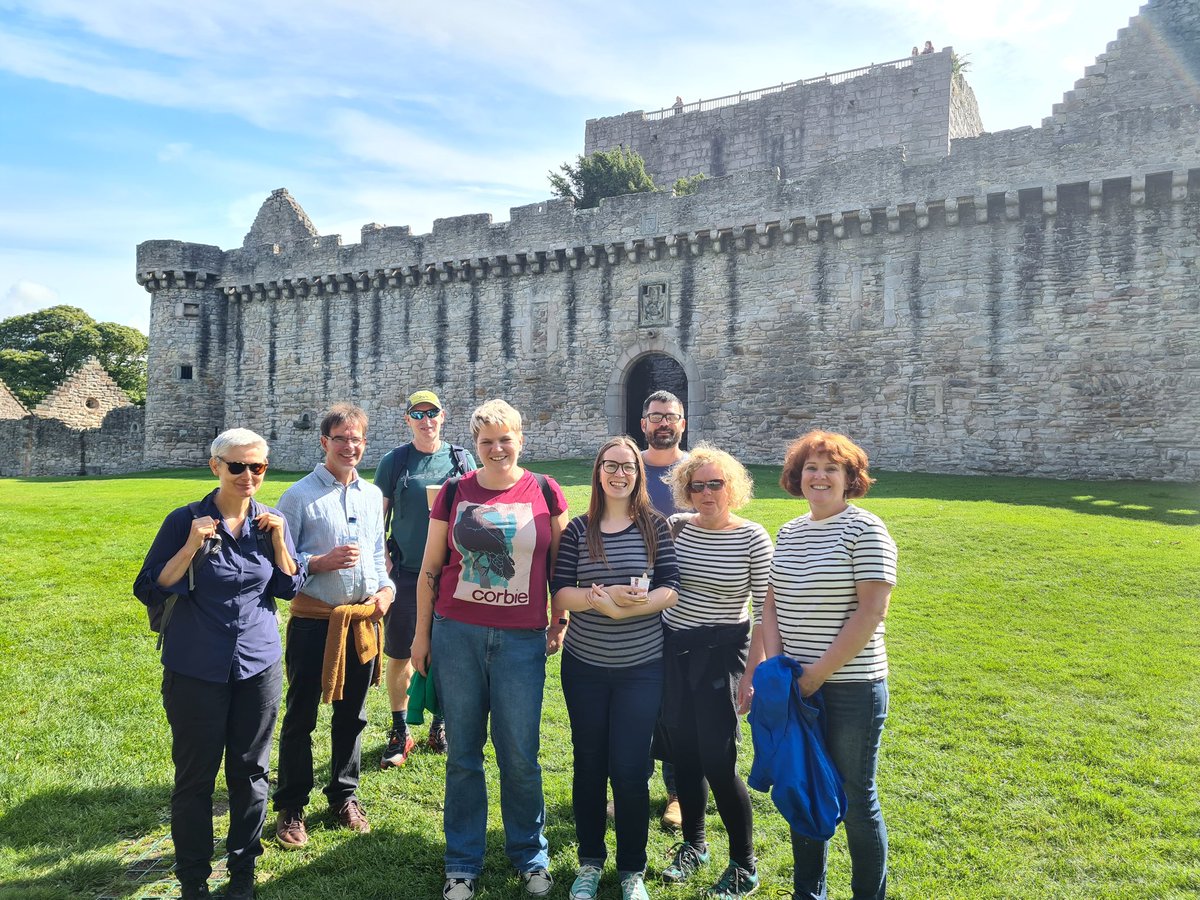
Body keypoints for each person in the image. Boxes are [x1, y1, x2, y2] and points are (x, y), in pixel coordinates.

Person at [411, 399, 569, 900]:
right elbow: (431, 567)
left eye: (505, 439)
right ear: (474, 446)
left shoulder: (545, 490)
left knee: (520, 754)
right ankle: (462, 862)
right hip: (457, 633)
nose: (497, 449)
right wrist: (421, 635)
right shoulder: (457, 491)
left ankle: (530, 855)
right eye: (486, 441)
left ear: (520, 439)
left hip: (522, 639)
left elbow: (562, 567)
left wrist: (559, 620)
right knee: (463, 754)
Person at [134, 429, 301, 900]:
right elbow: (150, 587)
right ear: (215, 466)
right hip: (196, 669)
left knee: (251, 774)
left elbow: (289, 588)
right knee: (194, 779)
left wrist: (282, 543)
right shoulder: (184, 520)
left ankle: (242, 875)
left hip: (258, 665)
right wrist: (189, 547)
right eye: (238, 466)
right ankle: (193, 881)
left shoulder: (271, 522)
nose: (249, 476)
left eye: (259, 467)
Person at [747, 431, 897, 900]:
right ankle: (808, 893)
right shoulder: (790, 531)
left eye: (832, 469)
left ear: (851, 479)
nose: (819, 476)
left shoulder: (866, 529)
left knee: (855, 798)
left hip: (851, 686)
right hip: (796, 683)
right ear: (797, 476)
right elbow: (770, 603)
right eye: (811, 467)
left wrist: (819, 673)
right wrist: (776, 666)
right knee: (803, 786)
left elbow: (871, 612)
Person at [551, 436, 680, 900]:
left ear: (637, 473)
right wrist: (598, 602)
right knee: (588, 765)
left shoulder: (655, 526)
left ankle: (631, 871)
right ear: (598, 472)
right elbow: (561, 592)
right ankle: (589, 862)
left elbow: (671, 587)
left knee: (628, 769)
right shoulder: (578, 531)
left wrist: (627, 611)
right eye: (610, 465)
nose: (619, 473)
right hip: (584, 667)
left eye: (627, 466)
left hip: (642, 668)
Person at [272, 403, 395, 847]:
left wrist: (385, 593)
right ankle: (291, 805)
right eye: (341, 438)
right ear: (324, 442)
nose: (350, 446)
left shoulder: (371, 495)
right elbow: (280, 568)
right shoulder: (298, 497)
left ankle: (344, 795)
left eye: (357, 439)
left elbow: (380, 557)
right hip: (314, 622)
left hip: (360, 621)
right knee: (301, 715)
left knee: (353, 716)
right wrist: (319, 562)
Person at [660, 445, 773, 899]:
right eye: (697, 485)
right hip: (674, 651)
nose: (706, 493)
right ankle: (695, 846)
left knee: (718, 761)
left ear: (733, 487)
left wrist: (752, 674)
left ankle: (744, 864)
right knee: (683, 753)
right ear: (686, 491)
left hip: (723, 654)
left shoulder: (752, 537)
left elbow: (766, 612)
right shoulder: (676, 530)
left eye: (716, 483)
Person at [374, 390, 476, 768]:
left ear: (443, 416)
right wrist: (381, 554)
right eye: (418, 414)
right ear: (408, 420)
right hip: (406, 571)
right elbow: (378, 516)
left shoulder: (460, 460)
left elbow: (474, 509)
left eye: (432, 412)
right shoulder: (395, 461)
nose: (426, 420)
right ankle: (400, 728)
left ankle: (440, 724)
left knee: (448, 651)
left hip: (452, 573)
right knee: (400, 651)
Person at [639, 389, 688, 829]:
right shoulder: (628, 468)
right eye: (656, 417)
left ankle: (677, 794)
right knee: (637, 699)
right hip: (634, 600)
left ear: (682, 424)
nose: (663, 424)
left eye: (670, 417)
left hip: (683, 602)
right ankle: (634, 787)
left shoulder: (695, 472)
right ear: (644, 423)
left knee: (675, 702)